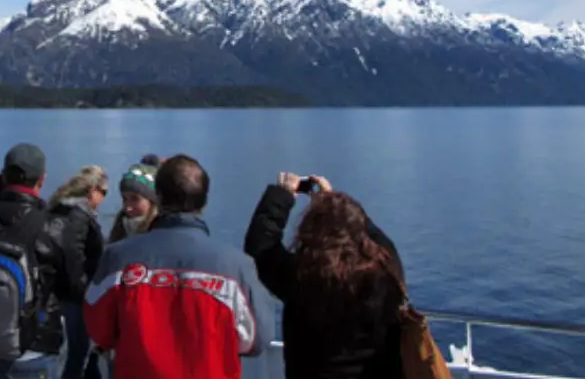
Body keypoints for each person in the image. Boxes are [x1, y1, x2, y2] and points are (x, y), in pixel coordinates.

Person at [84, 154, 274, 379]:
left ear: (159, 199)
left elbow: (98, 330)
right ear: (203, 201)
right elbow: (256, 340)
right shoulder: (236, 266)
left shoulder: (118, 258)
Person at [244, 172, 404, 378]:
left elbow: (260, 247)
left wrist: (281, 195)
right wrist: (340, 206)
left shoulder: (300, 278)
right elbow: (383, 243)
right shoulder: (384, 275)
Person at [0, 143, 84, 378]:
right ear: (42, 179)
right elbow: (73, 286)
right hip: (34, 347)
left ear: (3, 176)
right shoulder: (56, 228)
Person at [45, 166, 109, 379]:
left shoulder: (54, 210)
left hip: (51, 294)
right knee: (78, 351)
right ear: (92, 190)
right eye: (104, 193)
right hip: (74, 298)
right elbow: (73, 254)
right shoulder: (79, 217)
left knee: (68, 352)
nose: (103, 199)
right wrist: (83, 290)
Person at [106, 158, 159, 244]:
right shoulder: (119, 233)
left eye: (135, 199)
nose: (128, 208)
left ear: (152, 201)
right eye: (124, 199)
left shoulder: (163, 238)